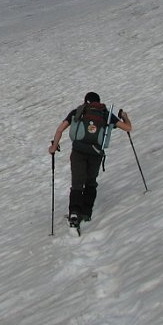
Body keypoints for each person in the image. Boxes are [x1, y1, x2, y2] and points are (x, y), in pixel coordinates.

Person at [48, 91, 131, 226]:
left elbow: (59, 130)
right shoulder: (105, 114)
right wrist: (124, 116)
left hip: (78, 152)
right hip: (96, 153)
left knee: (77, 183)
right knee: (91, 182)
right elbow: (128, 128)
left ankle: (74, 213)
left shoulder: (78, 111)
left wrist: (53, 147)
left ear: (86, 101)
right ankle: (86, 213)